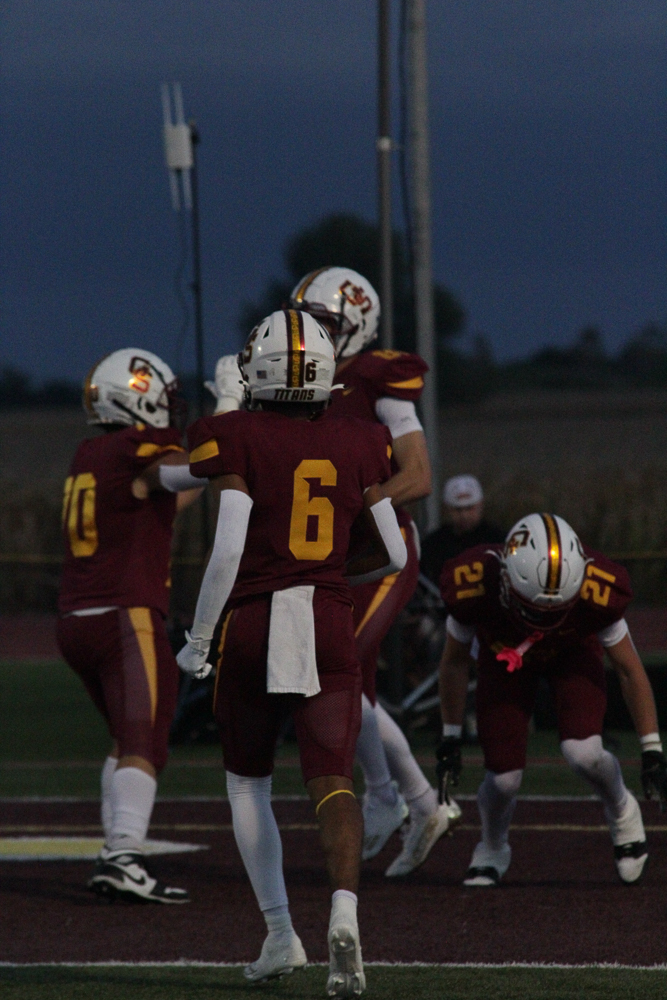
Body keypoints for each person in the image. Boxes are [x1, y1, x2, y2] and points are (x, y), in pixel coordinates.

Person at [178, 309, 407, 996]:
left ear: (262, 368)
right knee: (333, 779)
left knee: (248, 781)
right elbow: (391, 551)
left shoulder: (231, 434)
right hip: (330, 616)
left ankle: (280, 933)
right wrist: (333, 566)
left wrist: (196, 639)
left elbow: (227, 543)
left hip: (251, 620)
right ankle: (343, 909)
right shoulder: (361, 439)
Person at [290, 266, 457, 877]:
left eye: (326, 322)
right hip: (337, 552)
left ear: (356, 326)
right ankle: (403, 799)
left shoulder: (374, 375)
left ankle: (403, 798)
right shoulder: (308, 379)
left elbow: (418, 477)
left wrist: (356, 506)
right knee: (345, 680)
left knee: (335, 669)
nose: (312, 333)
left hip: (384, 549)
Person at [436, 512, 667, 887]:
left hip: (572, 652)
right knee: (504, 779)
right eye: (533, 609)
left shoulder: (597, 588)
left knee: (585, 753)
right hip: (503, 654)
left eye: (554, 610)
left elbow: (628, 669)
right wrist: (449, 735)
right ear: (507, 580)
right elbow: (454, 662)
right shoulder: (475, 581)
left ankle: (623, 811)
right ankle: (492, 846)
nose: (542, 621)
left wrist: (651, 747)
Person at [56, 348, 205, 903]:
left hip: (77, 620)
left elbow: (166, 493)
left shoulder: (91, 452)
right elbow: (180, 472)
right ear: (136, 397)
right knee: (145, 738)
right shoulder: (133, 448)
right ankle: (124, 853)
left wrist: (213, 469)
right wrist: (235, 441)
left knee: (127, 737)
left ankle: (116, 849)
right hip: (126, 615)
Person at [420, 475, 504, 587]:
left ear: (480, 505)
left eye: (469, 508)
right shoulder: (433, 545)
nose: (464, 515)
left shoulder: (497, 540)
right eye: (458, 509)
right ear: (447, 509)